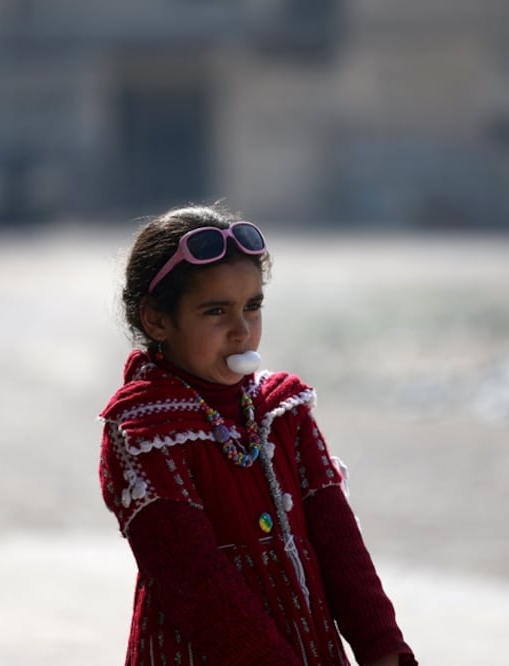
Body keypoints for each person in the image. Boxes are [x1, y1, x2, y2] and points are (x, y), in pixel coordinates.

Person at [99, 205, 416, 665]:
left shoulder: (282, 410)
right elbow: (197, 586)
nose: (241, 331)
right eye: (215, 311)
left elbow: (339, 541)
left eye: (252, 306)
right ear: (157, 320)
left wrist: (383, 647)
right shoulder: (144, 432)